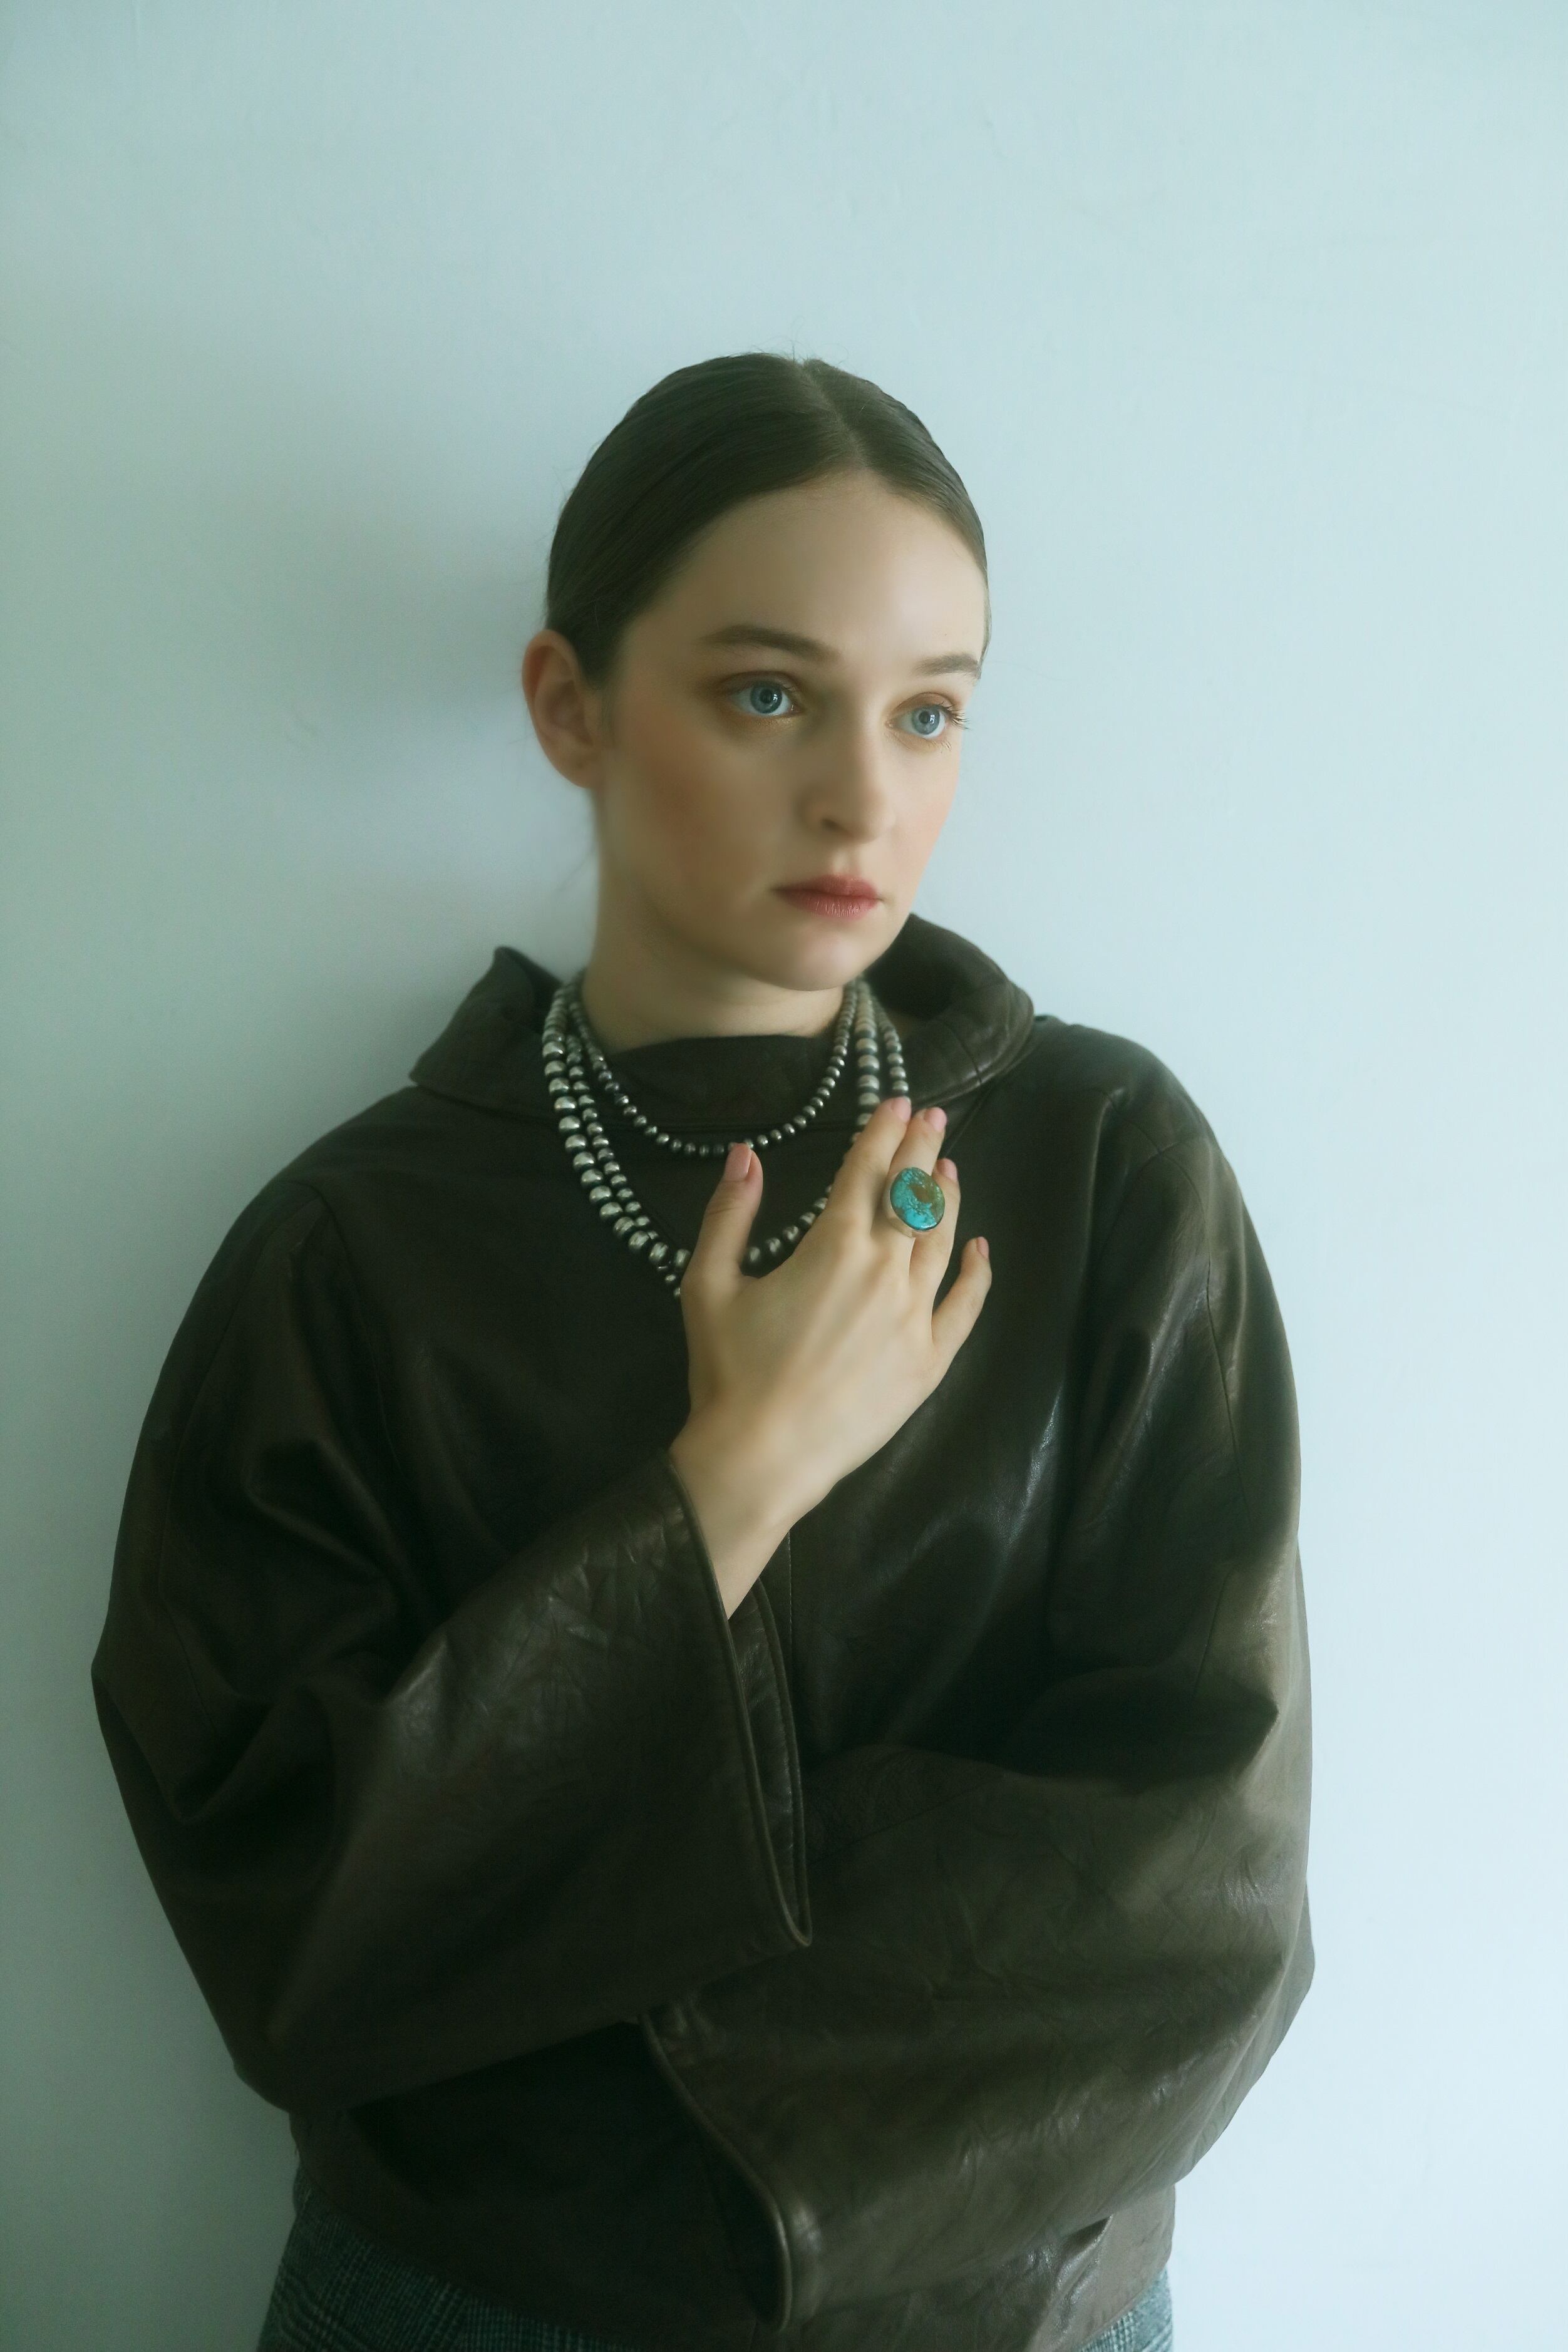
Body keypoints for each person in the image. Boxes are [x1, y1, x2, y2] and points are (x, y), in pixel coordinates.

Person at [91, 352, 1313, 2352]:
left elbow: (1205, 1893)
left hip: (1010, 2310)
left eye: (928, 711)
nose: (863, 798)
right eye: (768, 695)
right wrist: (731, 1479)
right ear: (570, 704)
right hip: (476, 2315)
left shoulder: (1107, 1171)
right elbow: (291, 1922)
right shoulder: (351, 1253)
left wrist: (569, 1968)